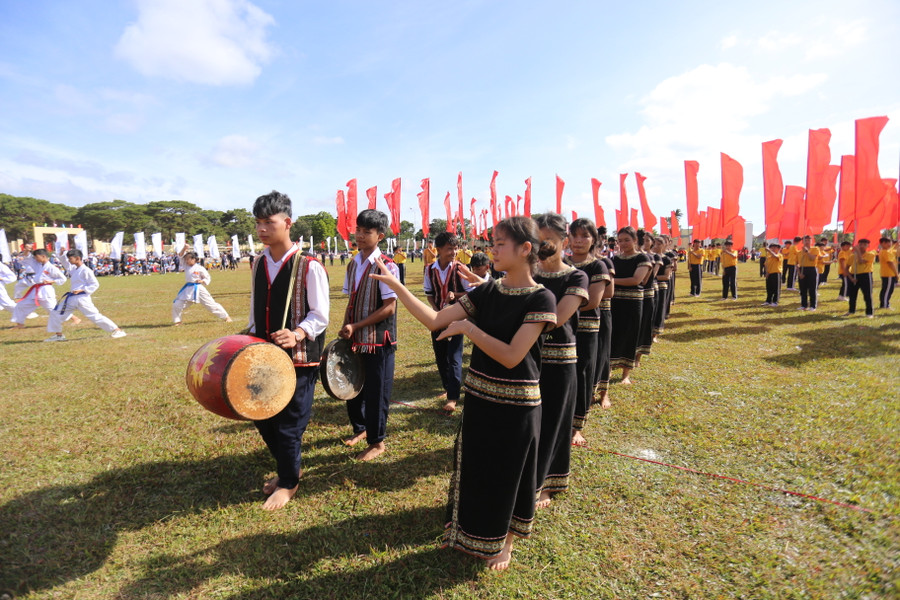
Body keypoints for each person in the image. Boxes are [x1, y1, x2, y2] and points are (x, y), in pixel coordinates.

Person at [369, 216, 556, 571]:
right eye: (492, 243)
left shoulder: (541, 298)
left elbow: (512, 356)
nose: (492, 251)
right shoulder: (489, 290)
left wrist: (470, 328)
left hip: (518, 404)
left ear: (525, 249)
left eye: (500, 244)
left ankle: (506, 542)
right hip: (481, 397)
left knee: (510, 474)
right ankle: (473, 532)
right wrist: (398, 286)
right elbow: (435, 319)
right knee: (478, 467)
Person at [247, 191, 329, 510]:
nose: (262, 229)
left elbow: (320, 315)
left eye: (269, 222)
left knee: (290, 422)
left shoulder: (309, 266)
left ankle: (288, 482)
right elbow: (255, 309)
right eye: (258, 222)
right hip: (264, 355)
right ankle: (288, 467)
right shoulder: (257, 262)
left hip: (300, 359)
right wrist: (248, 336)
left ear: (287, 223)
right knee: (261, 415)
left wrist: (297, 333)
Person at [532, 213, 588, 509]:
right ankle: (527, 478)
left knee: (554, 421)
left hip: (560, 360)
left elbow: (556, 318)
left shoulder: (576, 277)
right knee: (530, 422)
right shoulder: (529, 274)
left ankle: (546, 483)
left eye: (548, 240)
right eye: (538, 240)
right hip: (528, 358)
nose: (542, 246)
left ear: (563, 241)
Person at [340, 209, 400, 461]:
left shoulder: (387, 265)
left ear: (380, 236)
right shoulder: (353, 263)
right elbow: (352, 300)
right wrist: (346, 326)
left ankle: (377, 442)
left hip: (379, 340)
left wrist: (357, 325)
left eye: (367, 231)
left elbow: (389, 307)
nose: (360, 235)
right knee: (353, 386)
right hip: (356, 338)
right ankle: (361, 428)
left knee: (377, 391)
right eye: (358, 230)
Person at [565, 218, 608, 445]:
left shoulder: (597, 266)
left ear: (594, 240)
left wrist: (561, 308)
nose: (579, 240)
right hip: (560, 327)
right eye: (575, 235)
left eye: (585, 236)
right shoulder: (560, 263)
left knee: (581, 373)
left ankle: (576, 426)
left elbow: (592, 301)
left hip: (585, 327)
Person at [424, 232, 475, 412]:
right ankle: (447, 387)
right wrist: (436, 311)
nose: (453, 252)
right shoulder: (429, 269)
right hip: (437, 319)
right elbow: (429, 293)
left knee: (454, 357)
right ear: (438, 250)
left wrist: (456, 295)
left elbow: (472, 293)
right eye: (449, 249)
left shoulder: (461, 269)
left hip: (456, 319)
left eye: (455, 248)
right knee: (440, 355)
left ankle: (453, 397)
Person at [43, 249, 126, 341]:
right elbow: (66, 264)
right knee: (55, 313)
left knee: (94, 316)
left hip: (82, 298)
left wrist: (82, 290)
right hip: (71, 298)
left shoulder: (86, 270)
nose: (69, 260)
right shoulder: (74, 269)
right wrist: (63, 255)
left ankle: (117, 330)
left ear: (77, 258)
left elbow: (95, 284)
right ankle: (59, 335)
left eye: (70, 258)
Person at [609, 227, 652, 385]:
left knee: (630, 335)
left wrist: (611, 281)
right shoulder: (615, 259)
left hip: (633, 303)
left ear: (635, 240)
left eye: (627, 240)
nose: (623, 243)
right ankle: (608, 368)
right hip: (615, 302)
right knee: (613, 334)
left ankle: (625, 374)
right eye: (620, 241)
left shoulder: (642, 258)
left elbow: (636, 280)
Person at [172, 250, 232, 325]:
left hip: (198, 289)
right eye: (186, 259)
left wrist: (202, 281)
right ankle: (178, 321)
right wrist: (184, 248)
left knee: (211, 305)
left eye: (188, 259)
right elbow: (180, 256)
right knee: (177, 304)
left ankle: (226, 317)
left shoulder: (200, 268)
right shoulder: (186, 266)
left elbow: (207, 278)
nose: (186, 261)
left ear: (194, 259)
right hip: (188, 289)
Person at [11, 249, 67, 327]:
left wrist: (51, 281)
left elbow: (63, 278)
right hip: (36, 289)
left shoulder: (51, 267)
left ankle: (74, 318)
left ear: (43, 256)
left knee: (52, 308)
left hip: (46, 290)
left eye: (37, 257)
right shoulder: (37, 265)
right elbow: (28, 257)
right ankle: (19, 324)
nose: (36, 259)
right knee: (21, 305)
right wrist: (27, 250)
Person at [844, 239, 876, 318]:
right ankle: (851, 310)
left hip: (865, 275)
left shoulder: (870, 254)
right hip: (854, 275)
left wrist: (857, 251)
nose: (862, 246)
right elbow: (846, 268)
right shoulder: (852, 256)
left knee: (867, 294)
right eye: (860, 244)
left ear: (868, 246)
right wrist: (851, 278)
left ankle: (869, 313)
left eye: (864, 244)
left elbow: (861, 261)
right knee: (852, 295)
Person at [797, 235, 821, 311]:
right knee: (803, 289)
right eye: (805, 240)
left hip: (811, 269)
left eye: (808, 240)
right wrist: (799, 273)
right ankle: (804, 305)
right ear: (802, 241)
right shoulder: (799, 252)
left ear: (811, 241)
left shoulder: (815, 249)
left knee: (812, 288)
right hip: (802, 269)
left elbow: (812, 258)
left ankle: (813, 306)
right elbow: (797, 264)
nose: (807, 242)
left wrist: (807, 251)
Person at [878, 237, 897, 309]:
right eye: (886, 243)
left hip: (886, 273)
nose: (889, 244)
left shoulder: (885, 251)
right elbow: (890, 263)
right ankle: (885, 305)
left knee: (885, 289)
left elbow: (894, 250)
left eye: (890, 242)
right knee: (888, 290)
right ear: (882, 244)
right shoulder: (886, 252)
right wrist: (896, 273)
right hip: (889, 273)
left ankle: (884, 303)